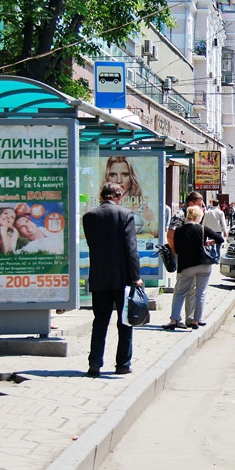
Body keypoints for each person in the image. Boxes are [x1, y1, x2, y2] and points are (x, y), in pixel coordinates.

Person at [82, 182, 143, 377]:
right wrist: (136, 277)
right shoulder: (125, 215)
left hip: (99, 277)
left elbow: (93, 245)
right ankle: (122, 364)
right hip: (122, 278)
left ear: (102, 196)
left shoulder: (89, 216)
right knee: (124, 322)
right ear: (118, 196)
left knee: (99, 321)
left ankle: (94, 363)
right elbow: (130, 248)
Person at [163, 205, 223, 331]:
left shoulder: (179, 230)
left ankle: (173, 320)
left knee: (180, 292)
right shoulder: (202, 228)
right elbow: (220, 239)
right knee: (200, 294)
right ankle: (196, 321)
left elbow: (177, 249)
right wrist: (207, 243)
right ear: (198, 217)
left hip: (187, 266)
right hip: (204, 265)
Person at [167, 191, 204, 326]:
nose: (201, 207)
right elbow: (170, 235)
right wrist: (176, 251)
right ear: (191, 203)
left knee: (193, 288)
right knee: (181, 287)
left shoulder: (195, 216)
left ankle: (190, 318)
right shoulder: (180, 215)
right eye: (199, 204)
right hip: (182, 257)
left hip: (194, 258)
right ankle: (176, 319)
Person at [103, 155, 157, 237]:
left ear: (132, 177)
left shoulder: (144, 209)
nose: (119, 180)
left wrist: (148, 224)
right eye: (113, 175)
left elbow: (155, 233)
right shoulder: (97, 206)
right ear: (107, 177)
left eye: (125, 175)